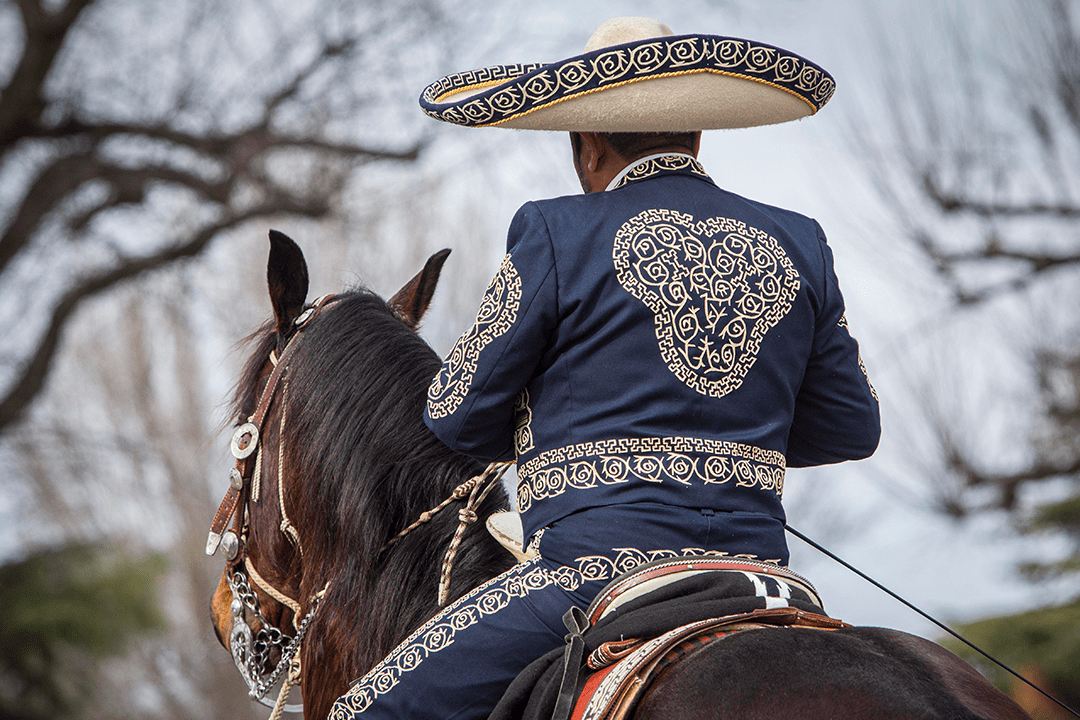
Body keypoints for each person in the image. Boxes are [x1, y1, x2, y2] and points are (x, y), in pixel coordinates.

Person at [330, 16, 879, 720]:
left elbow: (455, 412)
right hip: (761, 577)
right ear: (698, 137)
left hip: (591, 577)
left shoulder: (554, 230)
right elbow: (850, 428)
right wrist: (740, 433)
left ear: (586, 145)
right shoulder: (800, 240)